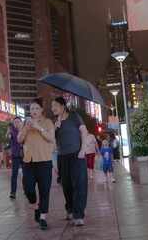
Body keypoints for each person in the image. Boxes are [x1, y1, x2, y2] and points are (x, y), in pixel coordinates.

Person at [52, 96, 91, 227]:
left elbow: (84, 132)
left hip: (77, 155)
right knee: (66, 185)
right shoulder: (56, 122)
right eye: (52, 107)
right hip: (62, 157)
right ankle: (70, 209)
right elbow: (53, 141)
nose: (53, 109)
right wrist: (55, 128)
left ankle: (79, 215)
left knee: (79, 185)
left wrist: (83, 149)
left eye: (55, 106)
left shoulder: (74, 116)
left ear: (63, 106)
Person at [18, 98, 56, 230]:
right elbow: (19, 139)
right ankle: (35, 206)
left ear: (41, 110)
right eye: (32, 109)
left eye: (36, 108)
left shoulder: (48, 122)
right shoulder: (25, 123)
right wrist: (26, 129)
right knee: (28, 188)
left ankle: (43, 217)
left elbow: (51, 138)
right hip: (29, 161)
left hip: (44, 161)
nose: (33, 111)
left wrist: (38, 127)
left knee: (44, 191)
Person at [8, 117, 23, 199]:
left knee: (26, 174)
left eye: (18, 122)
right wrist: (8, 134)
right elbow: (9, 137)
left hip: (25, 155)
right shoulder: (12, 131)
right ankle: (13, 192)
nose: (16, 123)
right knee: (14, 174)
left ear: (21, 122)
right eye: (15, 122)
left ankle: (26, 189)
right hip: (15, 155)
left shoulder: (25, 129)